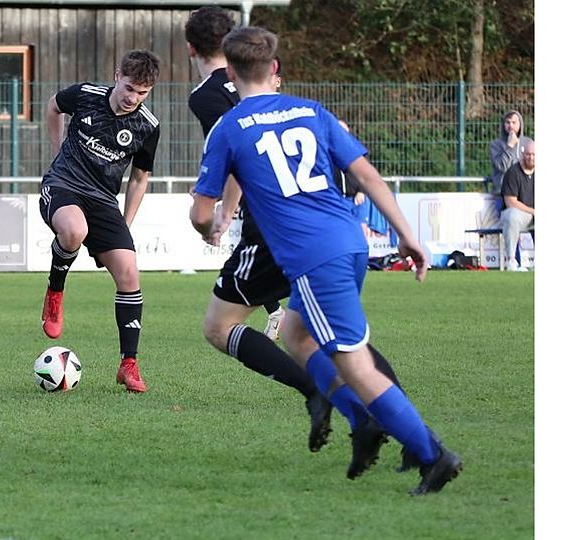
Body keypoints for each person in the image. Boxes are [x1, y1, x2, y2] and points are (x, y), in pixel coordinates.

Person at [192, 26, 462, 495]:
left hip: (314, 257)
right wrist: (408, 236)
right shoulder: (312, 111)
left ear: (230, 73)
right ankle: (365, 424)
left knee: (354, 363)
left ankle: (432, 455)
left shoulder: (230, 126)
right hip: (349, 241)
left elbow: (200, 212)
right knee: (296, 333)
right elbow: (367, 176)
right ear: (274, 68)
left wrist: (208, 226)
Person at [38, 50, 162, 393]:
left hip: (103, 200)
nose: (133, 98)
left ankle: (129, 364)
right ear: (117, 74)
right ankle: (55, 292)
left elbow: (139, 179)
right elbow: (53, 106)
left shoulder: (147, 126)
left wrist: (125, 223)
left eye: (142, 93)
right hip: (63, 185)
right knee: (74, 231)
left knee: (129, 273)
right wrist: (56, 150)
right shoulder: (86, 96)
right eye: (129, 88)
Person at [185, 5, 285, 341]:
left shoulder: (204, 97)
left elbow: (235, 150)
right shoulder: (255, 78)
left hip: (261, 193)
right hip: (294, 184)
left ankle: (280, 320)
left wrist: (221, 208)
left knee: (220, 323)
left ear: (191, 48)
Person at [500, 139, 535, 271]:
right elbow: (510, 202)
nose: (531, 157)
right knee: (512, 216)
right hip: (519, 214)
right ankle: (511, 260)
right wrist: (533, 211)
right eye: (528, 154)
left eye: (534, 154)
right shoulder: (513, 172)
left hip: (533, 215)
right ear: (522, 154)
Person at [488, 110, 532, 196]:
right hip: (502, 193)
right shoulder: (495, 144)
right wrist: (510, 147)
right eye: (507, 122)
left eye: (514, 122)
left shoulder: (528, 143)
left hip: (525, 193)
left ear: (520, 124)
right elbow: (502, 167)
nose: (510, 125)